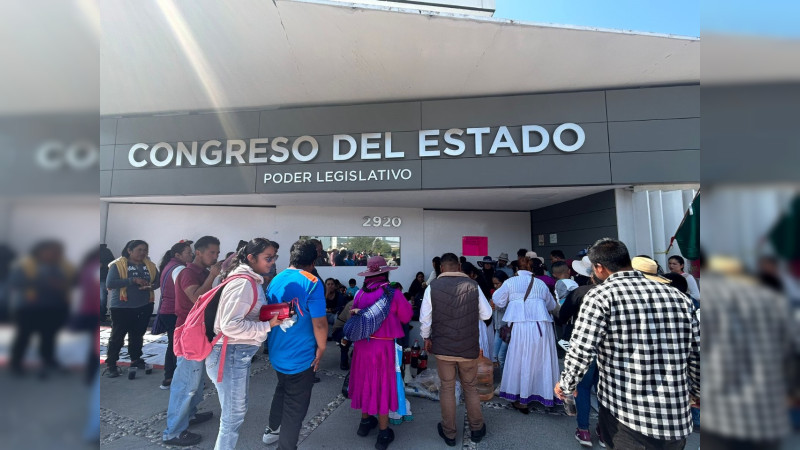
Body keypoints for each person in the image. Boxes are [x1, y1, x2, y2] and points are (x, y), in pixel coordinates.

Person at [556, 238, 700, 450]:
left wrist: (566, 385)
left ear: (599, 268)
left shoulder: (601, 296)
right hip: (673, 412)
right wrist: (698, 390)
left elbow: (581, 350)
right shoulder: (679, 297)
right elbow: (696, 352)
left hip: (625, 411)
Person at [205, 238, 283, 450]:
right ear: (251, 258)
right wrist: (267, 326)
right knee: (232, 417)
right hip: (230, 353)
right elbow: (229, 325)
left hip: (235, 353)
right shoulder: (244, 283)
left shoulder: (250, 280)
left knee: (235, 414)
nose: (272, 262)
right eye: (268, 258)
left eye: (274, 257)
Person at [420, 252, 491, 447]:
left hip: (443, 348)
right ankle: (477, 429)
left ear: (441, 268)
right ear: (459, 266)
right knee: (470, 387)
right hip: (468, 348)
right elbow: (486, 315)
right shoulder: (473, 285)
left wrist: (426, 337)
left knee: (447, 388)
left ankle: (449, 433)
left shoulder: (433, 287)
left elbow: (425, 318)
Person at [263, 239, 328, 450]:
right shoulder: (312, 282)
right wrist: (322, 348)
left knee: (282, 389)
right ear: (313, 261)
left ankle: (272, 430)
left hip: (277, 352)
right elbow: (320, 323)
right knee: (295, 408)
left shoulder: (276, 279)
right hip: (301, 357)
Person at [348, 255, 413, 450]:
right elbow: (406, 316)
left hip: (362, 346)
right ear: (385, 273)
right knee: (382, 384)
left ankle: (365, 423)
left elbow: (354, 313)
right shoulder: (392, 293)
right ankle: (383, 433)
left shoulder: (360, 293)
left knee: (365, 381)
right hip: (382, 347)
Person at [162, 236, 222, 447]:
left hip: (201, 331)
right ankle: (173, 432)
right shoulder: (188, 273)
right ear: (199, 252)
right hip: (190, 332)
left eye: (217, 253)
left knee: (196, 381)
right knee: (186, 383)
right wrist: (213, 275)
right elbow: (196, 298)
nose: (215, 256)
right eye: (212, 252)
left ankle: (190, 415)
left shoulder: (203, 272)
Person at [493, 251, 560, 413]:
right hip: (541, 327)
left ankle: (522, 399)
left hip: (520, 327)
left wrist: (513, 301)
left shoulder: (510, 282)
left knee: (520, 360)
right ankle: (544, 395)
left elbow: (497, 300)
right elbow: (551, 306)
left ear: (517, 269)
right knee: (541, 360)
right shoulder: (540, 284)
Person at [8, 240, 74, 377]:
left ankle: (48, 360)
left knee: (49, 336)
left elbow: (72, 281)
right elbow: (14, 282)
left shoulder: (62, 266)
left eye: (58, 252)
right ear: (41, 251)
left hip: (53, 308)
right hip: (29, 308)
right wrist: (43, 283)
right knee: (24, 336)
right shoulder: (26, 264)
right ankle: (16, 364)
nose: (55, 254)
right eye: (52, 251)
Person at [555, 275, 601, 447]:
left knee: (582, 388)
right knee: (605, 390)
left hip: (584, 344)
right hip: (609, 349)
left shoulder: (580, 292)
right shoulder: (620, 292)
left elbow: (562, 316)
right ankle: (604, 431)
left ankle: (584, 430)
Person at [104, 240, 159, 378]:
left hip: (144, 305)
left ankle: (135, 359)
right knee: (117, 336)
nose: (143, 253)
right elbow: (110, 283)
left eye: (145, 250)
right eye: (139, 249)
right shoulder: (118, 265)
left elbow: (157, 281)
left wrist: (151, 286)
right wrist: (132, 280)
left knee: (137, 335)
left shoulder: (150, 265)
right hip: (122, 307)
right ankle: (111, 364)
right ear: (129, 250)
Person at [155, 240, 194, 389]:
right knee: (177, 346)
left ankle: (169, 377)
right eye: (188, 253)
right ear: (178, 255)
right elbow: (185, 292)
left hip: (168, 310)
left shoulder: (170, 266)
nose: (191, 255)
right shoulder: (180, 269)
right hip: (174, 311)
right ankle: (174, 379)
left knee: (173, 345)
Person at [490, 271, 510, 371]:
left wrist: (497, 306)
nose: (495, 286)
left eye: (497, 283)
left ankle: (504, 379)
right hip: (498, 328)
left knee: (501, 356)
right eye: (494, 284)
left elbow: (509, 310)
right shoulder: (496, 293)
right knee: (494, 356)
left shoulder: (509, 294)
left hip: (506, 329)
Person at [100, 243, 114, 318]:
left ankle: (101, 315)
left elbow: (112, 263)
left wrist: (103, 265)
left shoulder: (106, 251)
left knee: (102, 297)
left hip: (102, 277)